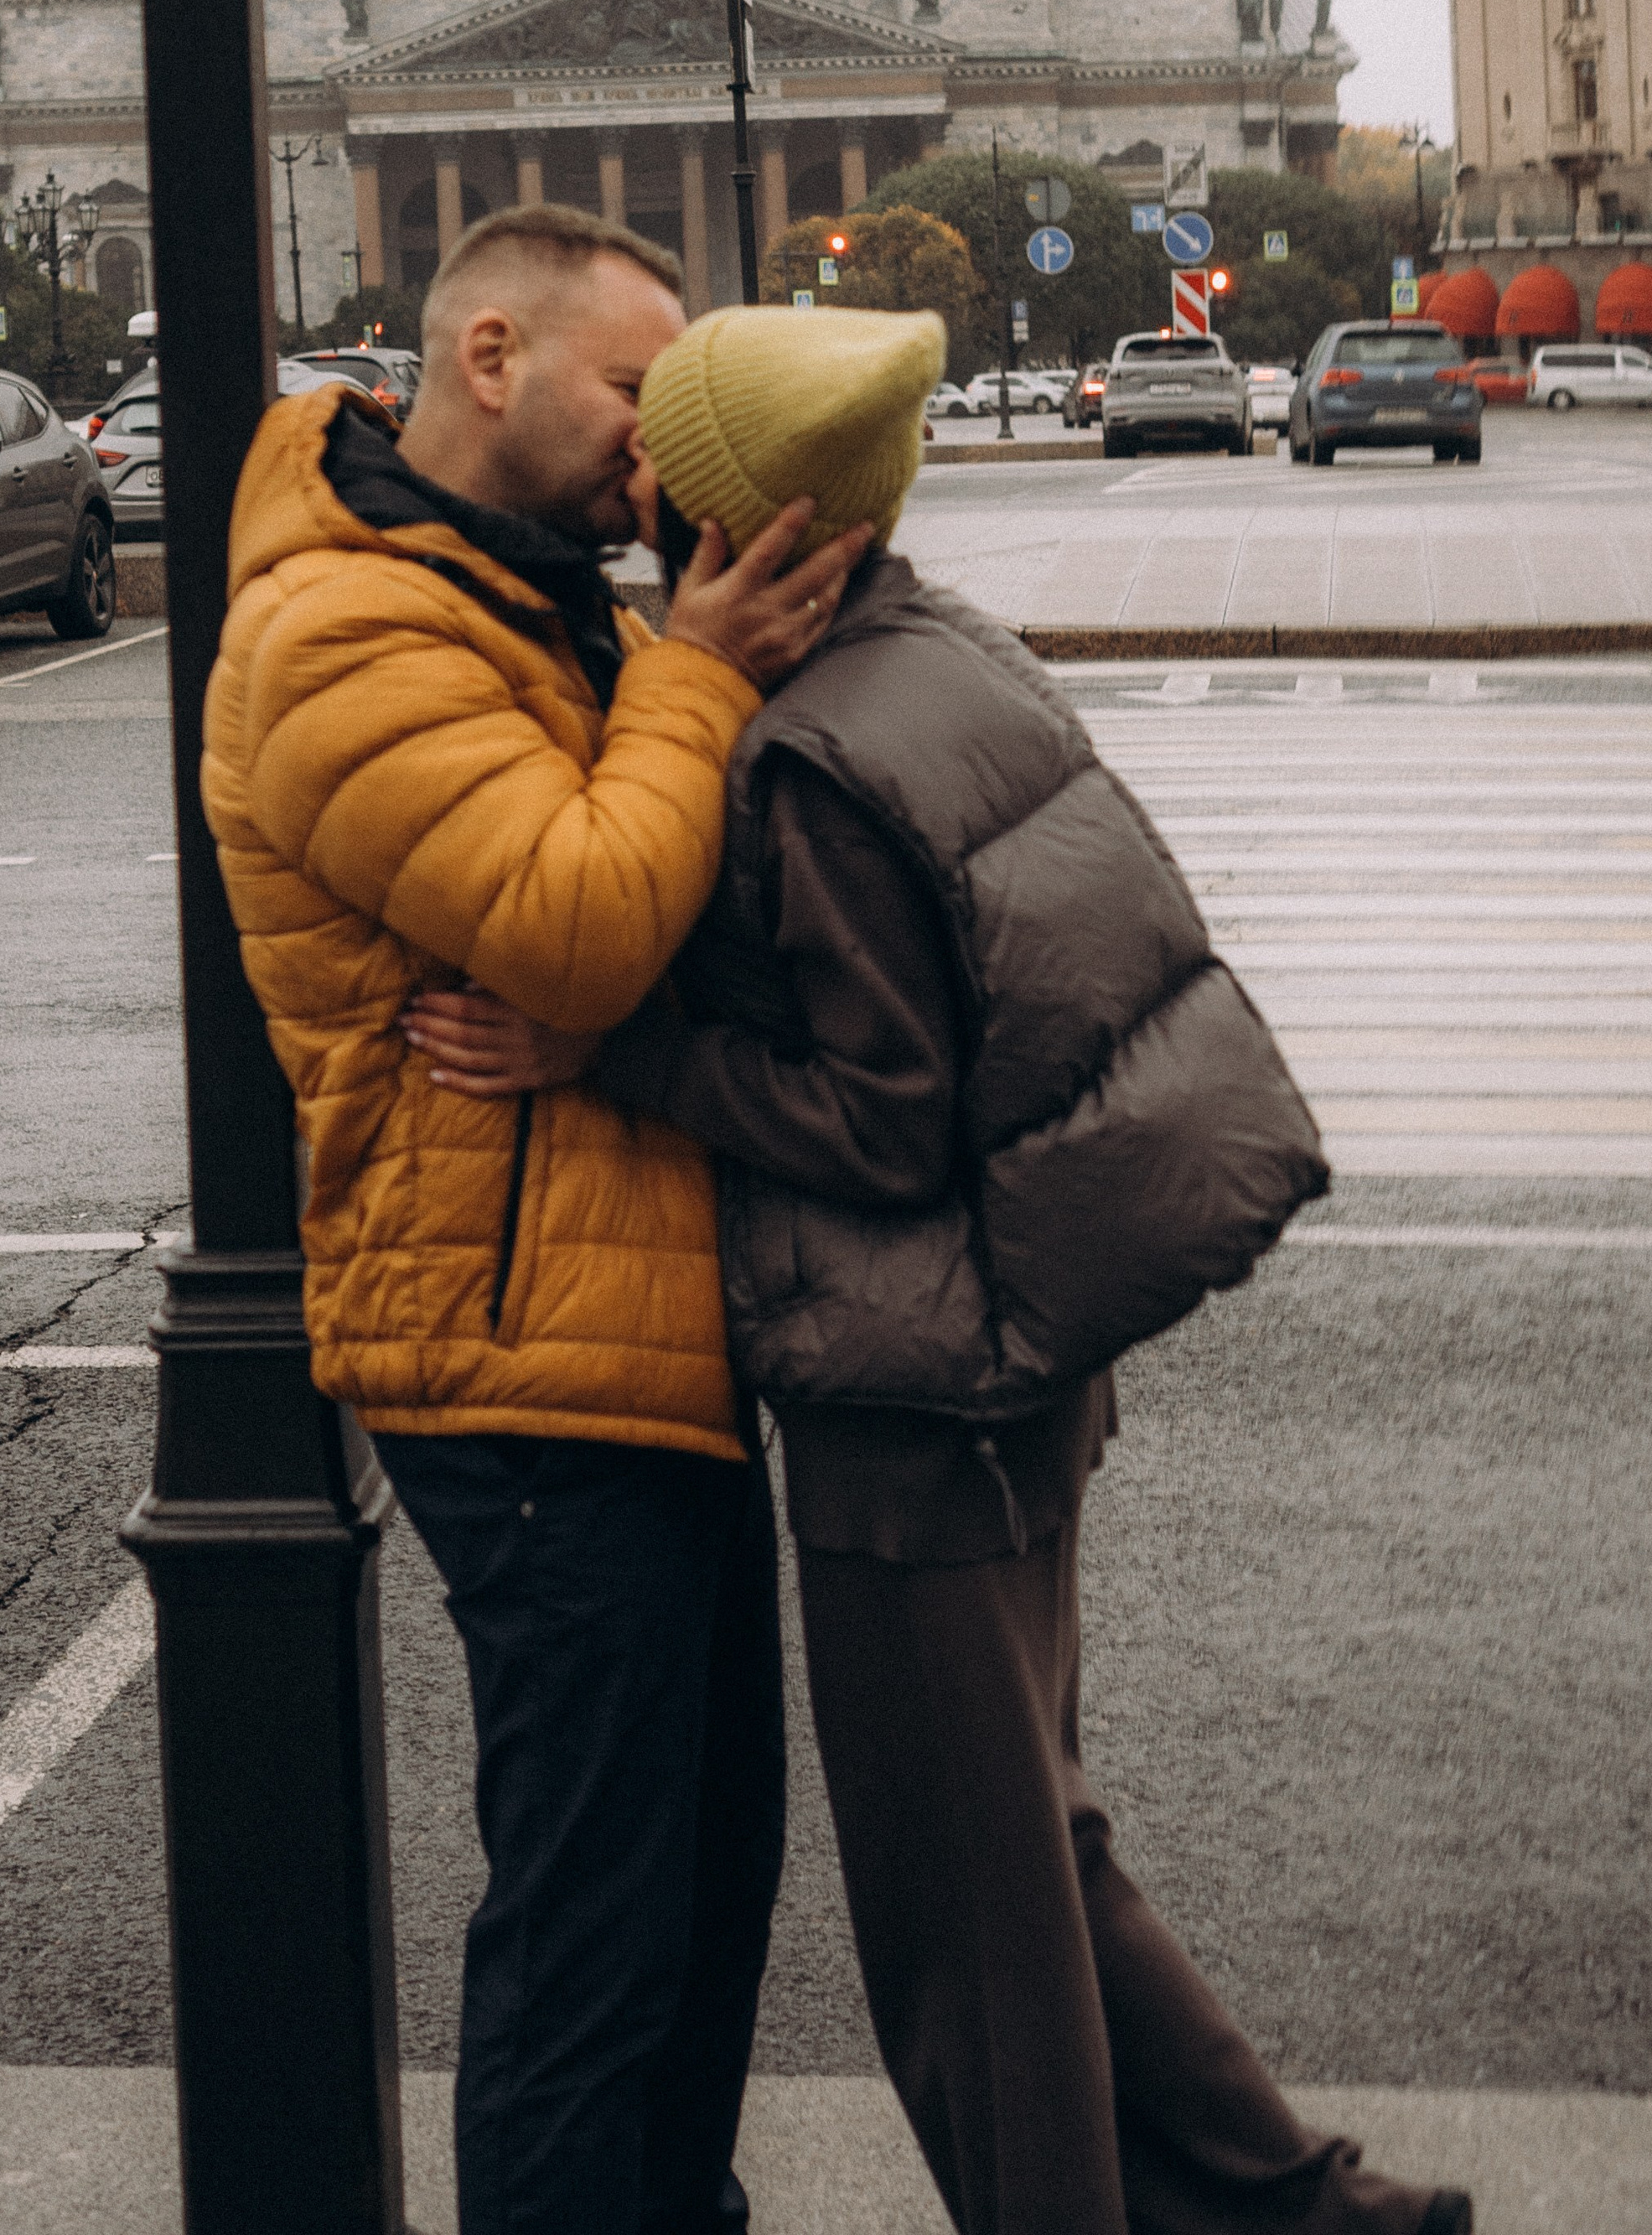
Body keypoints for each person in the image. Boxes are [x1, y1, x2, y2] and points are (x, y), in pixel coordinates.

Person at [404, 304, 1475, 2235]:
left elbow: (884, 1118)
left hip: (916, 1402)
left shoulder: (806, 758)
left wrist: (616, 1053)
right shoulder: (930, 645)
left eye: (662, 452)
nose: (625, 472)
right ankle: (1302, 2213)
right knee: (1037, 1852)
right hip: (1016, 1372)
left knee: (963, 1947)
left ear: (736, 517)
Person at [199, 207, 872, 2235]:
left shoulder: (540, 601)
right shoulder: (344, 631)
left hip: (632, 1334)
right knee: (592, 1944)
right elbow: (579, 925)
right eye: (631, 391)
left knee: (696, 1911)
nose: (657, 442)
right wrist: (697, 674)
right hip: (515, 1359)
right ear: (488, 357)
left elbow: (665, 915)